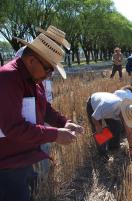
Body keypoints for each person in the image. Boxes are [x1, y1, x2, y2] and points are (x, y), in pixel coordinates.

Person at [0, 34, 83, 201]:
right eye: (48, 69)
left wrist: (64, 122)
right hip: (8, 166)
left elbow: (44, 109)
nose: (49, 75)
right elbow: (13, 127)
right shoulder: (8, 78)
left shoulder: (34, 80)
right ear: (31, 61)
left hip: (27, 157)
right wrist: (55, 134)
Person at [86, 93, 132, 160]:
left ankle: (113, 147)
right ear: (122, 113)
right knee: (99, 133)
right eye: (125, 119)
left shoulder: (126, 111)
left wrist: (131, 149)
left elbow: (129, 132)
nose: (125, 121)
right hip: (93, 104)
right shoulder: (108, 107)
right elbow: (94, 117)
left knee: (117, 126)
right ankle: (102, 154)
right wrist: (98, 126)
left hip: (109, 109)